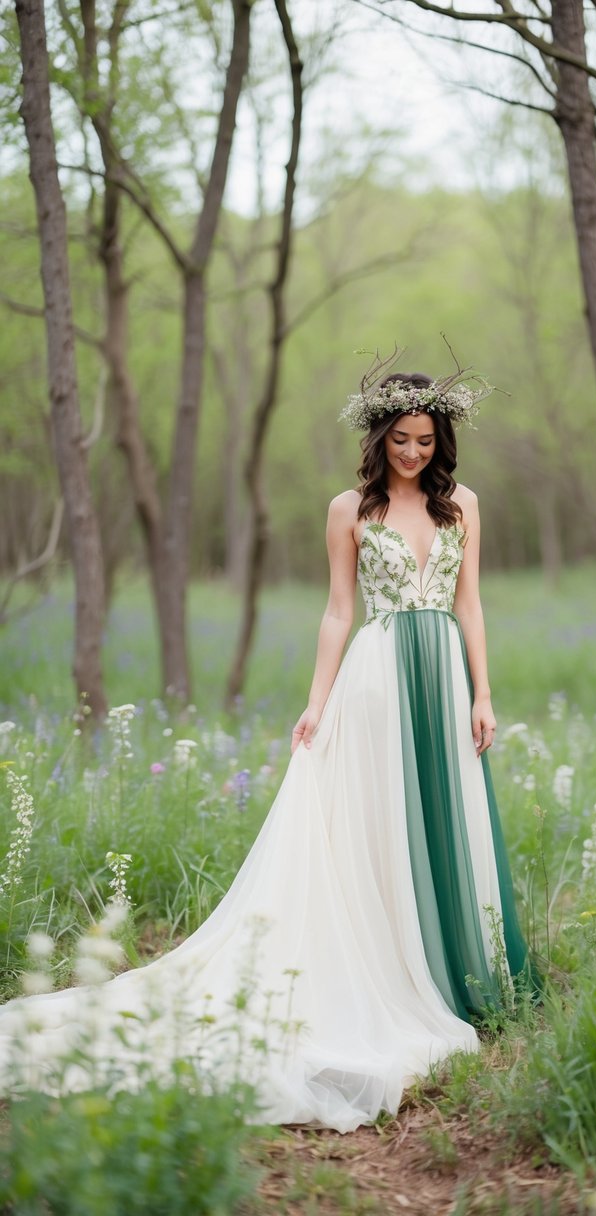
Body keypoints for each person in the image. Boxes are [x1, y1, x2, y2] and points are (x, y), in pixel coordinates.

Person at [0, 356, 531, 1133]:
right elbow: (335, 612)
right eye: (400, 440)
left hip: (445, 674)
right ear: (379, 436)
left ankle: (461, 973)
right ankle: (393, 968)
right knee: (380, 827)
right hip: (378, 678)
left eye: (425, 440)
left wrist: (483, 693)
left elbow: (471, 604)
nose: (412, 453)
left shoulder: (463, 508)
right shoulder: (349, 509)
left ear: (440, 439)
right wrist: (315, 705)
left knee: (448, 820)